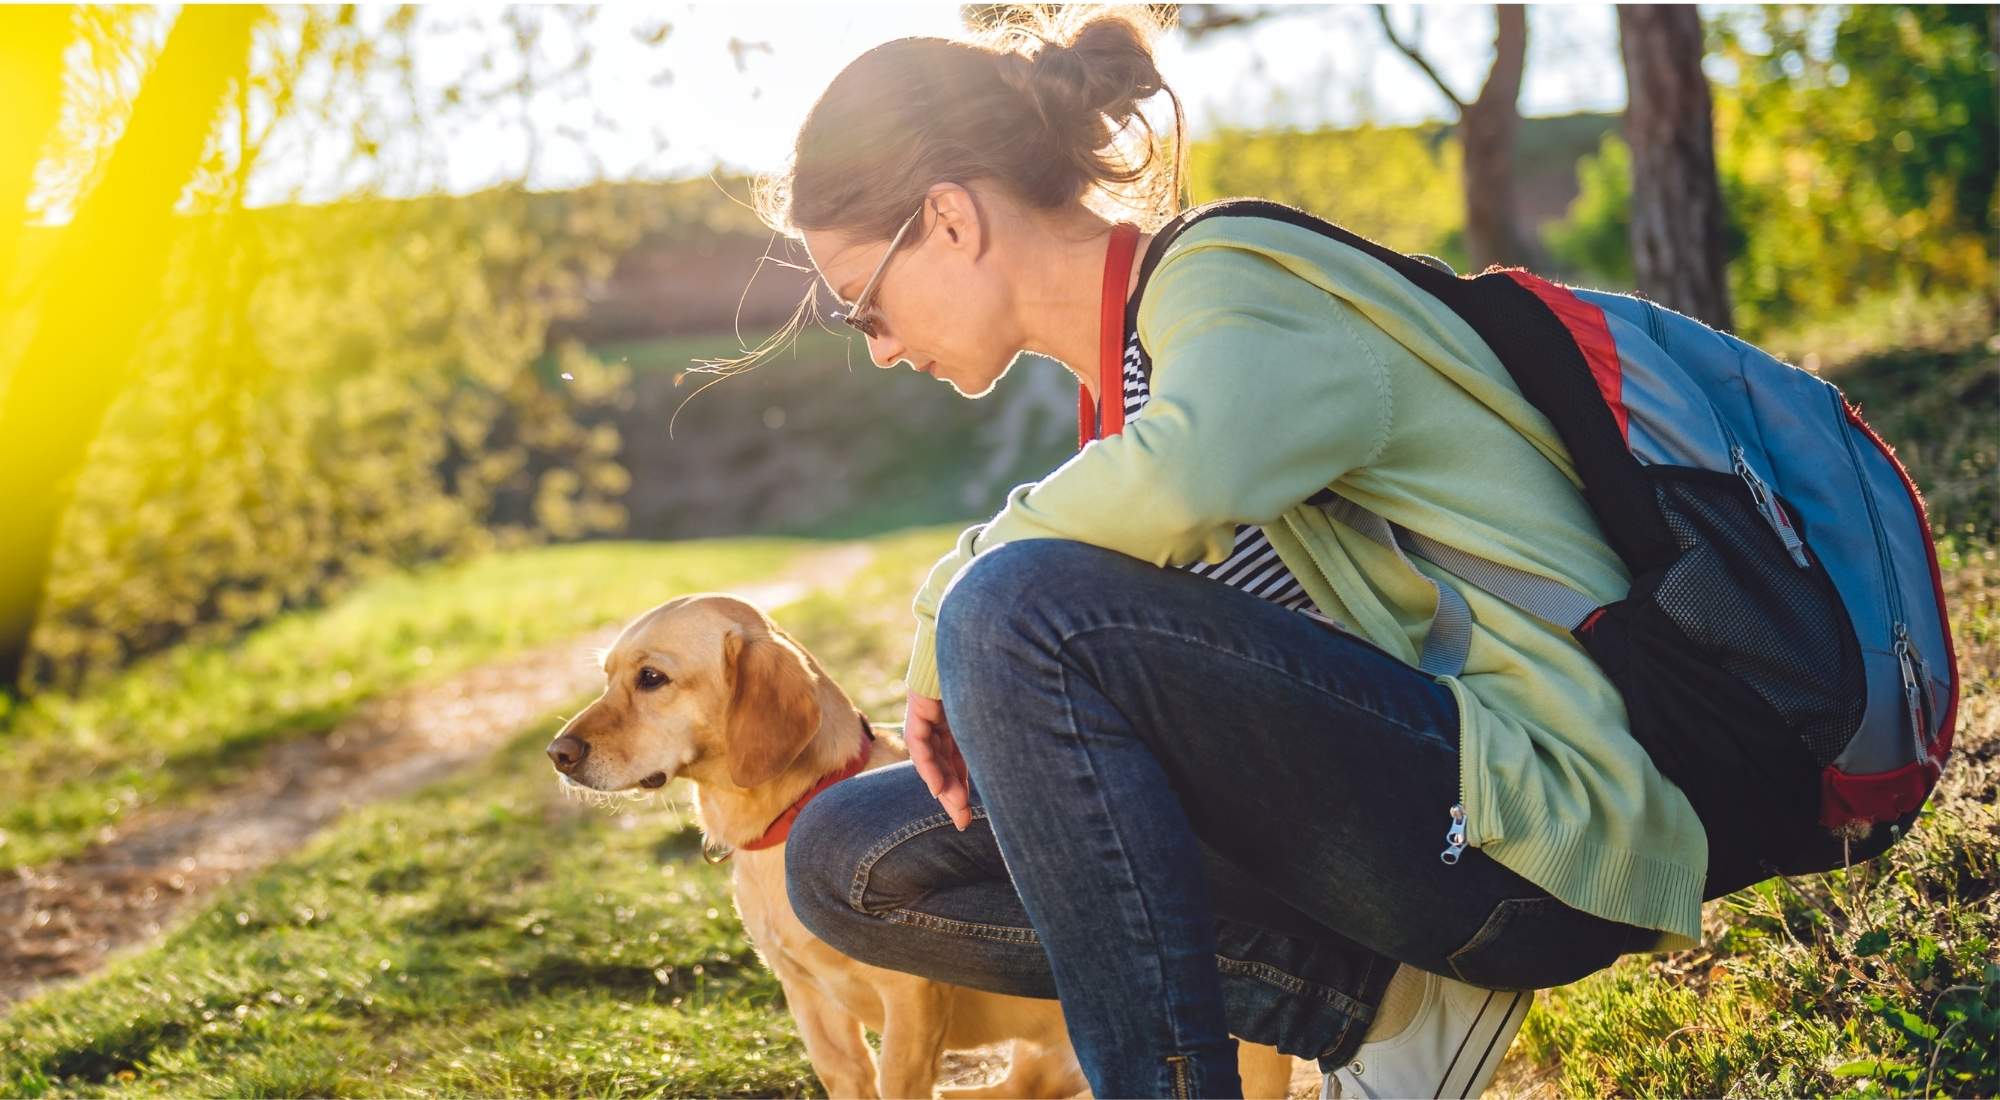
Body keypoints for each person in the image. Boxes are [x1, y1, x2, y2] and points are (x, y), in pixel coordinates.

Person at [754, 10, 1708, 1098]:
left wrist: (952, 603)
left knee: (1010, 606)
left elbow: (1179, 478)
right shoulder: (1121, 387)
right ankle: (1365, 996)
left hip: (1534, 821)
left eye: (862, 303)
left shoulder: (1232, 282)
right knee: (848, 854)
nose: (876, 346)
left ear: (947, 219)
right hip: (1390, 824)